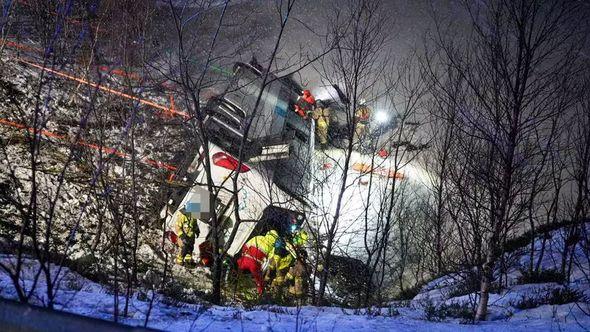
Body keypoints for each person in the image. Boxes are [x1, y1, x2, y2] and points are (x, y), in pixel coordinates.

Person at [237, 230, 280, 295]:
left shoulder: (258, 237)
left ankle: (231, 282)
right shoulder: (272, 247)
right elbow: (270, 260)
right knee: (259, 280)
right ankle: (261, 294)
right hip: (255, 265)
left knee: (236, 269)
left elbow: (246, 246)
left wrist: (243, 254)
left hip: (244, 259)